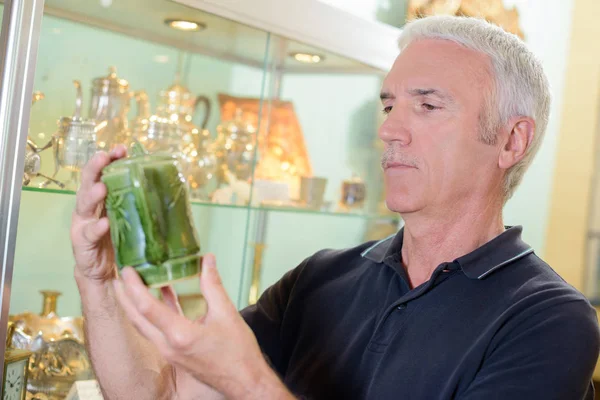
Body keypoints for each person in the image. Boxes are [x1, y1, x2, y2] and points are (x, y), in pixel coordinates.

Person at [71, 15, 600, 400]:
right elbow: (160, 393)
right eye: (388, 104)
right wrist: (98, 283)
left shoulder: (550, 321)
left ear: (511, 141)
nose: (389, 129)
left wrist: (247, 380)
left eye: (428, 105)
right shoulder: (319, 279)